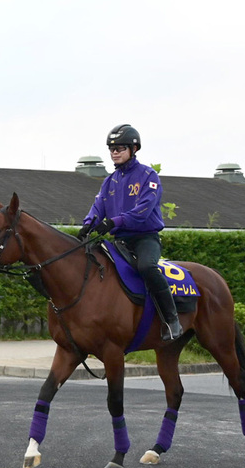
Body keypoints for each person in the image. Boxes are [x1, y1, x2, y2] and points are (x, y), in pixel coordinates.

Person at [77, 124, 181, 342]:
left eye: (120, 148)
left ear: (134, 149)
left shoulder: (148, 175)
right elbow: (98, 208)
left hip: (145, 238)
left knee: (147, 267)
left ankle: (172, 320)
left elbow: (142, 211)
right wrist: (88, 224)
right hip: (120, 241)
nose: (115, 152)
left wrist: (114, 221)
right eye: (112, 148)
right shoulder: (109, 181)